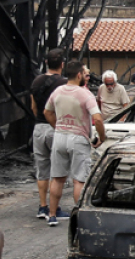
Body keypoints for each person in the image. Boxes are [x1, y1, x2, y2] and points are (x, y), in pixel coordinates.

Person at [43, 61, 106, 227]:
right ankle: (80, 218)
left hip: (59, 136)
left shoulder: (58, 91)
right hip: (78, 138)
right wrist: (102, 137)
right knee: (79, 179)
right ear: (79, 75)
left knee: (57, 178)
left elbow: (47, 112)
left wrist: (57, 126)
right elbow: (98, 119)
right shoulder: (85, 94)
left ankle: (52, 215)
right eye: (84, 74)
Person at [30, 49, 67, 220]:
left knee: (42, 169)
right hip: (55, 127)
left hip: (39, 127)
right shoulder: (63, 84)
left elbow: (33, 107)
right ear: (62, 64)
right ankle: (55, 207)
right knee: (57, 170)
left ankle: (42, 206)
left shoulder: (36, 81)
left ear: (46, 63)